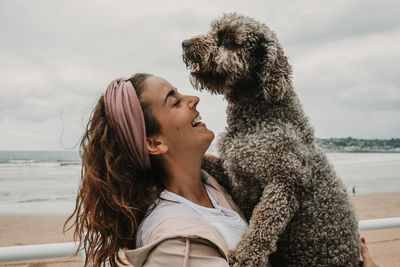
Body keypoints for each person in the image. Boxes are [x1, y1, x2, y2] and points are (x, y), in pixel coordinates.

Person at [65, 73, 378, 267]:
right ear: (154, 142)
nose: (194, 97)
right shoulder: (176, 244)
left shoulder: (213, 184)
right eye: (174, 101)